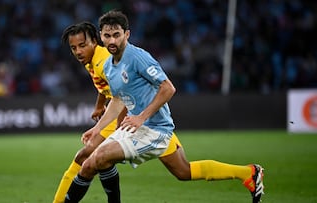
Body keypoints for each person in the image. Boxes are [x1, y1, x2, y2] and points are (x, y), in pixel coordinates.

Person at [64, 10, 265, 203]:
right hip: (136, 126)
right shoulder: (109, 65)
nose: (112, 41)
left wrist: (141, 117)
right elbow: (118, 100)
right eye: (107, 36)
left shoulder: (137, 57)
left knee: (100, 157)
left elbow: (168, 88)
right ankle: (248, 173)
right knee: (183, 171)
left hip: (154, 129)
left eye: (117, 35)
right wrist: (98, 128)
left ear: (127, 34)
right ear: (101, 36)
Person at [53, 22, 184, 203]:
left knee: (91, 157)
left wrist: (117, 128)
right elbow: (108, 88)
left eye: (82, 46)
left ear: (95, 41)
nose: (78, 51)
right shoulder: (92, 60)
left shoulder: (103, 61)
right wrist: (99, 106)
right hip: (132, 117)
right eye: (73, 48)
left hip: (139, 120)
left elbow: (123, 95)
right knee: (184, 171)